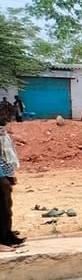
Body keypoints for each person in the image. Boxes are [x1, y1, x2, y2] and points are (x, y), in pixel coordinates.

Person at [0, 104, 22, 248]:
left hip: (5, 173)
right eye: (3, 114)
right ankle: (3, 239)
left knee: (7, 206)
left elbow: (8, 155)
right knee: (2, 207)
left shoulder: (3, 134)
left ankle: (8, 234)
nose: (7, 117)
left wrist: (10, 174)